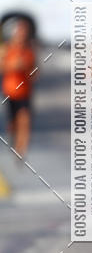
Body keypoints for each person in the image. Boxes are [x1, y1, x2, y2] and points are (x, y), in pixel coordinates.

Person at [1, 18, 36, 161]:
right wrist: (14, 65)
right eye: (19, 32)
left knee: (25, 120)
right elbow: (2, 67)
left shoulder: (29, 50)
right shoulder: (7, 49)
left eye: (24, 32)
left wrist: (29, 70)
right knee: (14, 123)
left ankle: (20, 151)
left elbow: (35, 70)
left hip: (25, 92)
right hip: (10, 92)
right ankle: (14, 139)